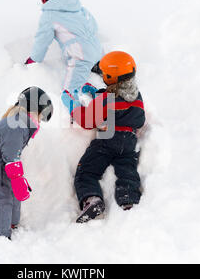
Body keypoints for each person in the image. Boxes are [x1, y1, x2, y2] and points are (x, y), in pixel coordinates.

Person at [61, 51, 145, 223]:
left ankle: (93, 200)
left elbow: (87, 121)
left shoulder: (107, 99)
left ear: (110, 77)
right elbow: (139, 117)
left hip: (107, 141)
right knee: (128, 171)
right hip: (128, 143)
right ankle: (128, 199)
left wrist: (73, 105)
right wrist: (99, 95)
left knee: (87, 171)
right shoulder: (137, 96)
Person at [0, 87, 53, 238]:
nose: (39, 122)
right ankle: (0, 236)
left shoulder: (19, 122)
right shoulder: (17, 124)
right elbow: (11, 154)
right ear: (31, 109)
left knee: (12, 194)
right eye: (39, 116)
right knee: (1, 198)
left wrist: (18, 179)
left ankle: (10, 224)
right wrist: (17, 178)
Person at [25, 0, 102, 107]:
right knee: (87, 71)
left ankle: (83, 118)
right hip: (97, 51)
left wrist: (34, 59)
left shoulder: (49, 15)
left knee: (69, 93)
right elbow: (94, 26)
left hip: (80, 58)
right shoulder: (81, 9)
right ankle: (99, 87)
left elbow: (42, 41)